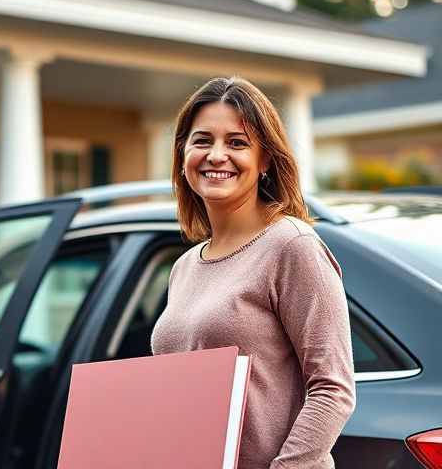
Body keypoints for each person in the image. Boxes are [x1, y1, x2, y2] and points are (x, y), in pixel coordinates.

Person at [150, 77, 356, 468]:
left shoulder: (292, 246)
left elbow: (333, 388)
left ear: (264, 160)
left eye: (237, 143)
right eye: (202, 140)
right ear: (182, 154)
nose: (216, 155)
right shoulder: (184, 267)